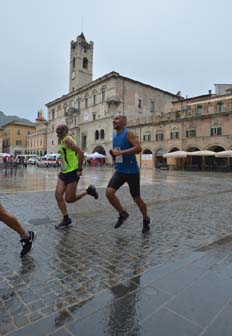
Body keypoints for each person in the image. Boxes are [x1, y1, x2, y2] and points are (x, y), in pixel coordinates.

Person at [106, 114, 150, 233]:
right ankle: (122, 213)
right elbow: (117, 151)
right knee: (109, 193)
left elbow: (138, 148)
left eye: (117, 119)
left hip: (131, 172)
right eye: (113, 119)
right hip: (120, 170)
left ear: (124, 122)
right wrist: (115, 156)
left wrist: (121, 153)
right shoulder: (114, 135)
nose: (114, 121)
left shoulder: (128, 133)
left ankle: (146, 219)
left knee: (137, 198)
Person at [55, 124, 99, 229]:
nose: (57, 132)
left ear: (65, 130)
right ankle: (66, 219)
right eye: (56, 130)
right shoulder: (63, 141)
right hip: (64, 172)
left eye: (59, 130)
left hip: (72, 172)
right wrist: (61, 168)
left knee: (69, 199)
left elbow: (80, 152)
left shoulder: (67, 140)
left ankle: (88, 191)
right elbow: (66, 156)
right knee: (58, 196)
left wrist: (79, 169)